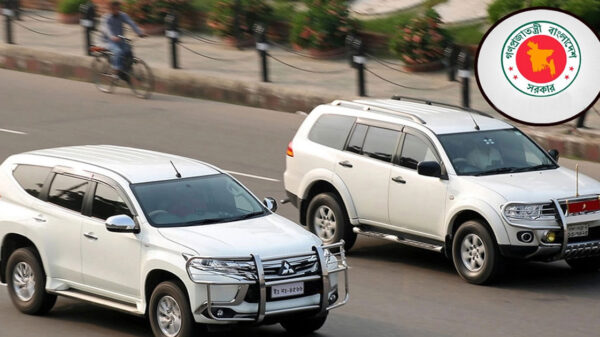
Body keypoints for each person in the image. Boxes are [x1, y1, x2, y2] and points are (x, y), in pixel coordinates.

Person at [101, 1, 146, 80]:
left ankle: (126, 69)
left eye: (118, 8)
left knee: (128, 49)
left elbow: (131, 23)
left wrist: (139, 32)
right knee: (118, 51)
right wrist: (112, 36)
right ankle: (116, 72)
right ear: (110, 9)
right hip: (109, 41)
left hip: (120, 39)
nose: (117, 10)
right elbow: (106, 29)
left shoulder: (123, 15)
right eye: (114, 9)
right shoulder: (106, 18)